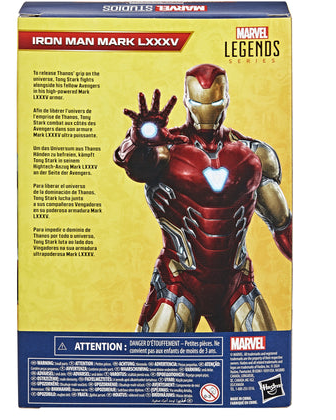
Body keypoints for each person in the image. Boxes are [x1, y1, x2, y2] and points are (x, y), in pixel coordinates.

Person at [114, 63, 291, 332]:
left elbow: (283, 224)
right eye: (199, 102)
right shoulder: (165, 149)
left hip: (236, 283)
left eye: (215, 102)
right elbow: (131, 161)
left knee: (265, 354)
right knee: (153, 357)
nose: (208, 111)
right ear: (187, 100)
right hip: (179, 281)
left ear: (226, 99)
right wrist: (139, 138)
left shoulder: (254, 155)